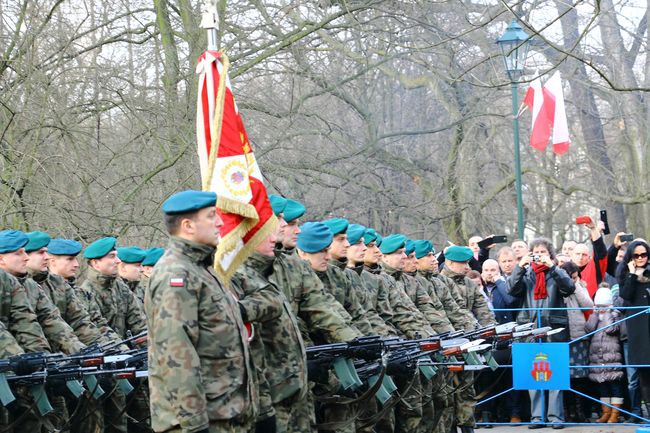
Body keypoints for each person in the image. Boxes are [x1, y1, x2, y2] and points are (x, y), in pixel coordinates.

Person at [145, 190, 257, 433]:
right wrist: (195, 425)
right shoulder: (176, 275)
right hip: (198, 422)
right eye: (211, 216)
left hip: (225, 415)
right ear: (188, 226)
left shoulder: (202, 269)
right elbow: (177, 356)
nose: (220, 222)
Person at [507, 238, 575, 429]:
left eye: (543, 252)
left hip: (554, 328)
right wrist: (520, 266)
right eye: (535, 252)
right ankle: (537, 417)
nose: (539, 255)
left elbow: (569, 287)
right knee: (532, 373)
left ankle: (555, 417)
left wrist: (552, 267)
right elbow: (511, 289)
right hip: (529, 328)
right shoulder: (526, 273)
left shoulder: (556, 272)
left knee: (555, 373)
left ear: (550, 254)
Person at [617, 240, 650, 417]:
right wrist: (632, 274)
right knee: (642, 372)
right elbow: (625, 296)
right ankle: (645, 413)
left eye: (643, 254)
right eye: (636, 255)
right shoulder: (624, 272)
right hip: (637, 329)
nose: (640, 258)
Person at [560, 261, 594, 423]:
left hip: (578, 336)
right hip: (561, 337)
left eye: (575, 277)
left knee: (580, 376)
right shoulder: (557, 286)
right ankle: (569, 411)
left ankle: (581, 411)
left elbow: (588, 304)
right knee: (564, 376)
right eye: (570, 277)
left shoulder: (579, 286)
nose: (573, 280)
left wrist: (577, 285)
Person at [585, 285, 625, 423]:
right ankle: (606, 412)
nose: (601, 307)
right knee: (603, 388)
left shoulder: (614, 315)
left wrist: (608, 312)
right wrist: (595, 314)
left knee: (614, 387)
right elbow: (588, 329)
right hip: (597, 358)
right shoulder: (596, 316)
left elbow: (611, 329)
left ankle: (615, 414)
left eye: (604, 304)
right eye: (599, 305)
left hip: (611, 358)